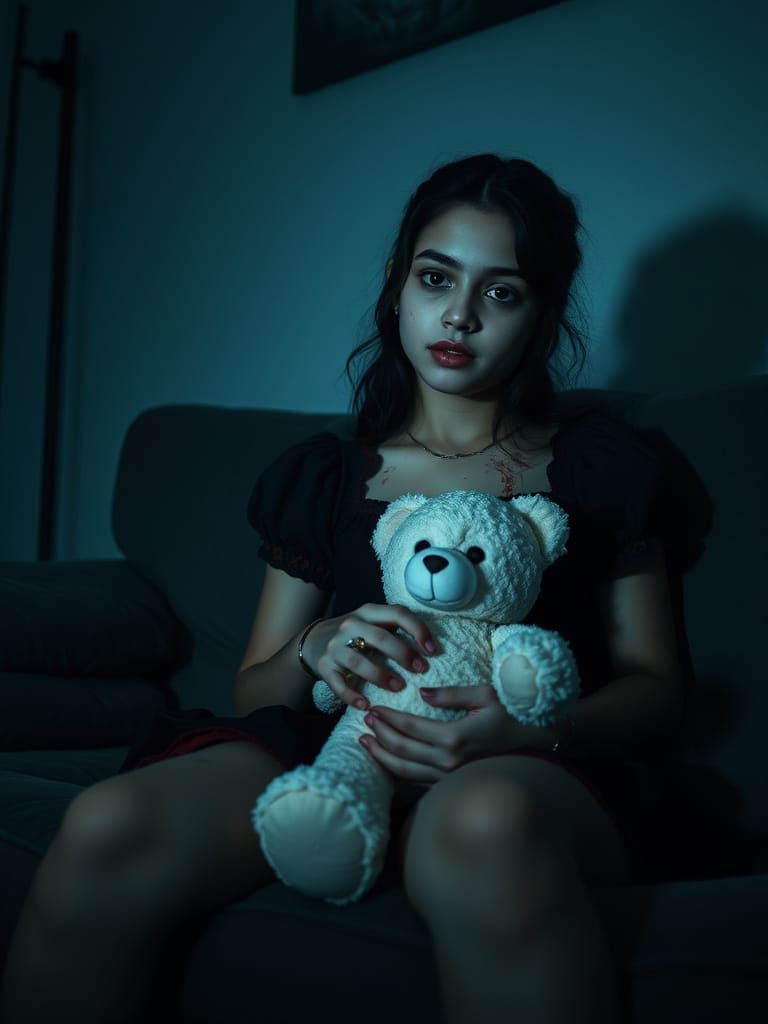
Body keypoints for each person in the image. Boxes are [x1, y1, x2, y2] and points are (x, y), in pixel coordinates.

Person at [0, 154, 683, 1024]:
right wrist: (313, 645)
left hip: (527, 762)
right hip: (336, 748)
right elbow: (255, 686)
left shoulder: (597, 468)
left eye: (502, 293)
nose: (460, 317)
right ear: (399, 283)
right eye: (437, 278)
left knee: (483, 829)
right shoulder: (326, 476)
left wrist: (536, 728)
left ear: (542, 313)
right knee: (105, 825)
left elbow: (657, 688)